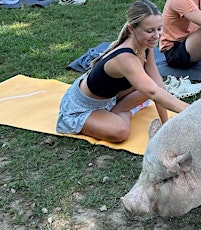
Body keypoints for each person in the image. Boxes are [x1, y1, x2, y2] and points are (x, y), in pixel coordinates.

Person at [56, 0, 189, 143]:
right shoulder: (125, 58)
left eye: (159, 29)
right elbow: (153, 92)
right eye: (149, 31)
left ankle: (117, 111)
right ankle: (122, 112)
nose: (156, 36)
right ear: (132, 29)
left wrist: (165, 124)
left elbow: (157, 86)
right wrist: (193, 110)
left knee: (150, 87)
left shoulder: (145, 45)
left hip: (110, 97)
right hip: (83, 108)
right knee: (121, 131)